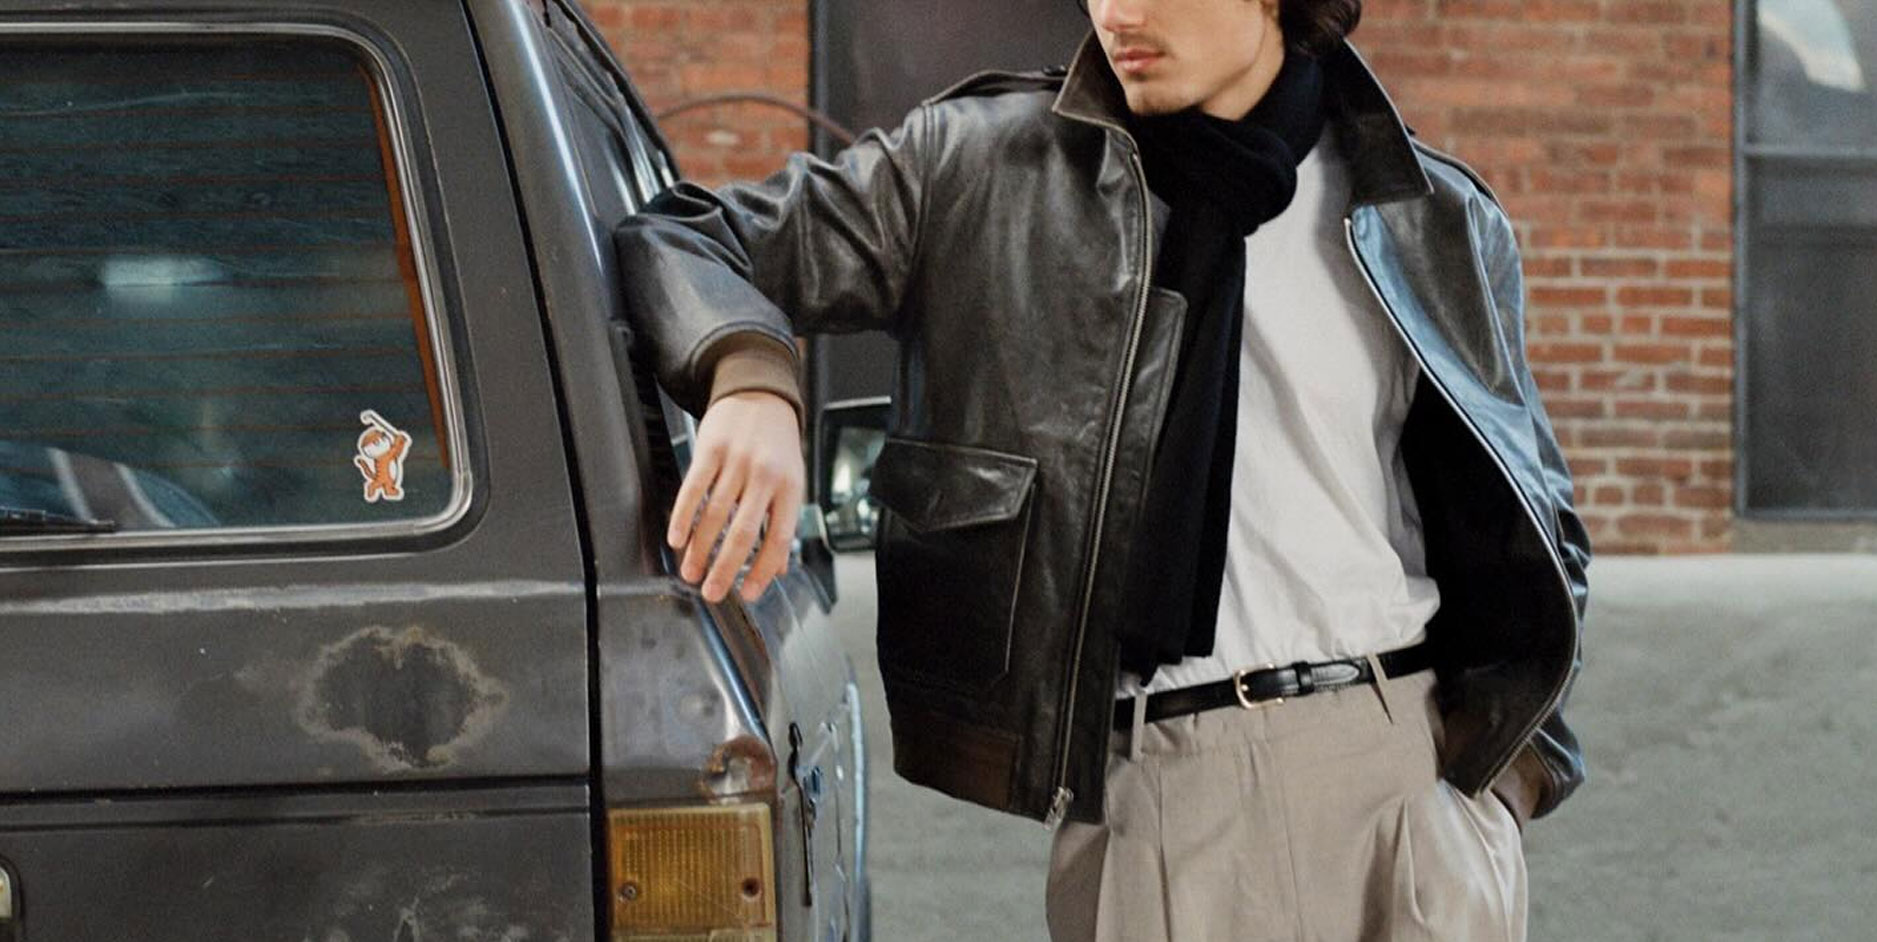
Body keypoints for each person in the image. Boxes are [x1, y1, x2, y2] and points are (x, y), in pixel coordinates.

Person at [615, 0, 1592, 937]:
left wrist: (1497, 795)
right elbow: (687, 237)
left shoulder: (1427, 215)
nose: (1116, 15)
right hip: (1166, 788)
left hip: (1406, 776)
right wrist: (750, 380)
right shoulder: (982, 165)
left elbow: (1533, 515)